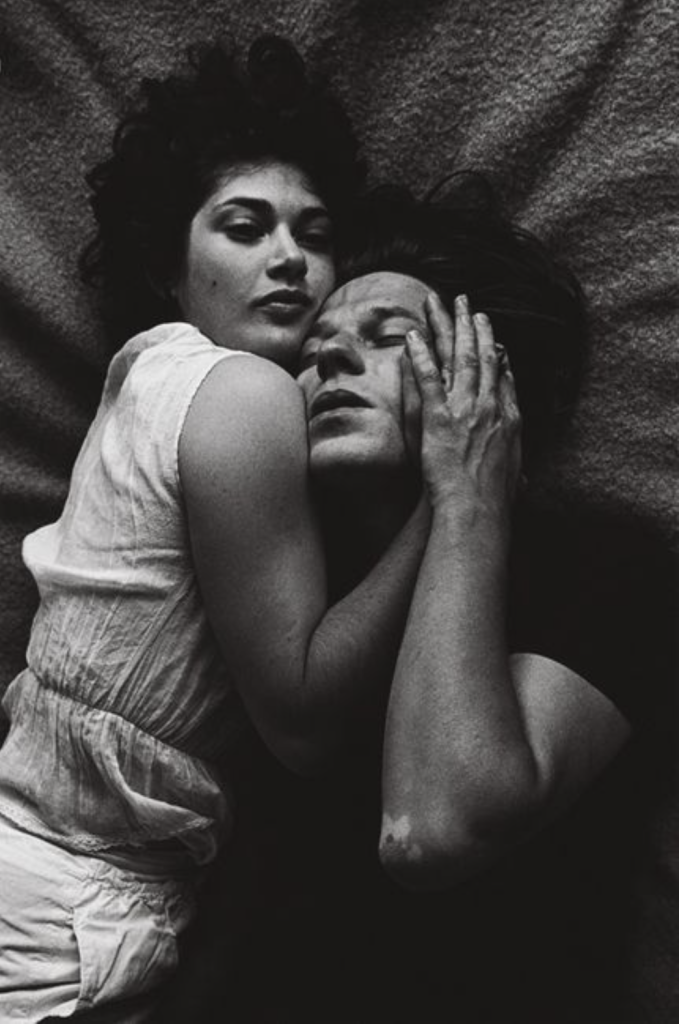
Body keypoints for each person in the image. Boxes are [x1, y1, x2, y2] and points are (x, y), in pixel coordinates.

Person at [0, 38, 428, 1020]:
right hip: (61, 913)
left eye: (315, 235)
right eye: (245, 227)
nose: (289, 258)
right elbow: (302, 721)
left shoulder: (142, 376)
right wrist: (451, 501)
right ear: (167, 265)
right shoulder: (243, 393)